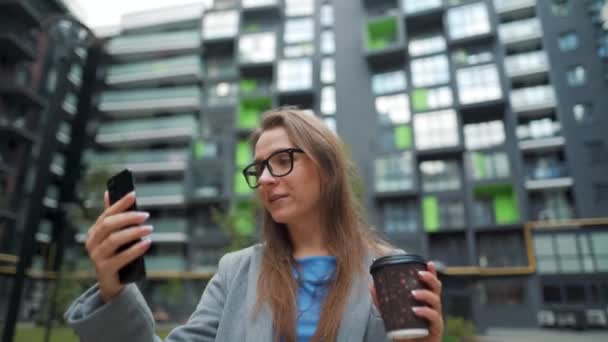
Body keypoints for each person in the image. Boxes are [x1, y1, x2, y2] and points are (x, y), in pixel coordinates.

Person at [65, 107, 444, 342]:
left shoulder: (389, 274)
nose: (264, 179)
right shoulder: (237, 271)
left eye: (281, 161)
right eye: (259, 168)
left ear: (327, 168)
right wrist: (114, 289)